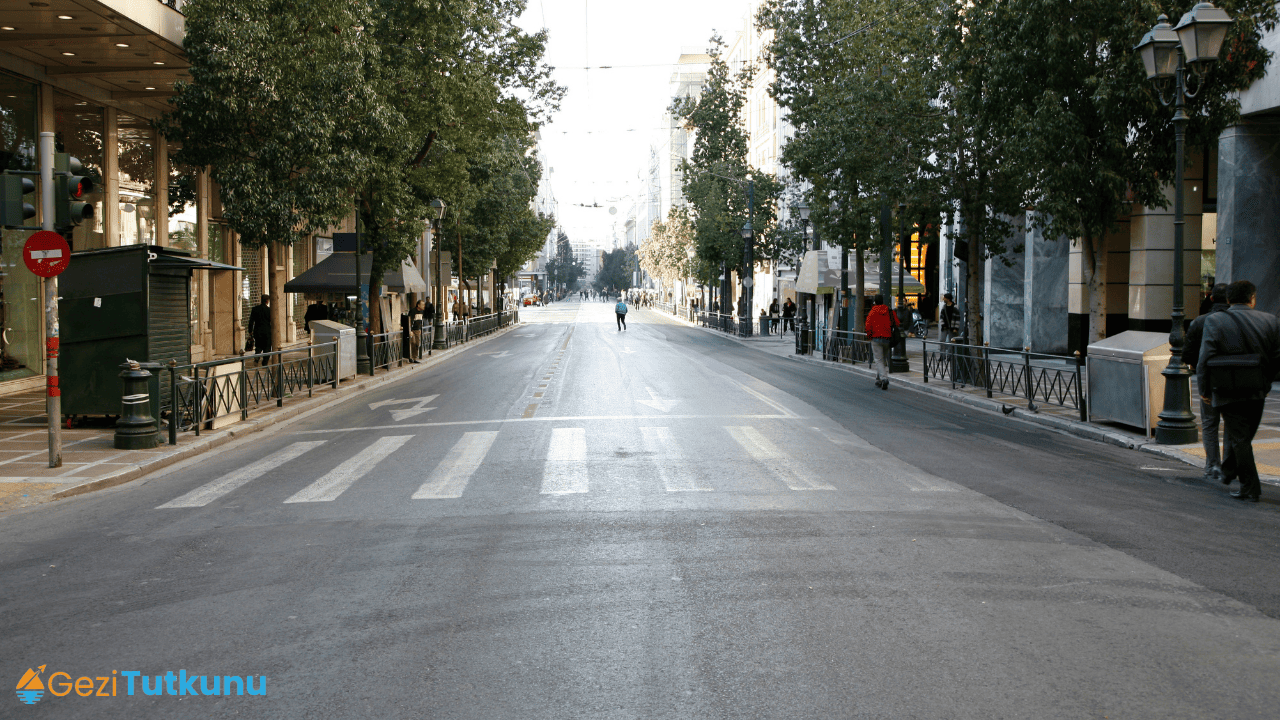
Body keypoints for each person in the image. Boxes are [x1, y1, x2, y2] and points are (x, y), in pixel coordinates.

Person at [1196, 280, 1280, 502]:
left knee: (1241, 438)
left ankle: (1244, 483)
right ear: (1252, 298)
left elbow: (1204, 359)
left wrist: (1204, 390)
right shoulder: (1270, 321)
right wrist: (1266, 382)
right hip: (1257, 391)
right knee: (1244, 436)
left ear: (1229, 300)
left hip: (1226, 389)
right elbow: (1277, 358)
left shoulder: (1215, 321)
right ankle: (1239, 478)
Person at [1183, 283, 1230, 482]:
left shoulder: (1200, 322)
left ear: (1211, 298)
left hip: (1209, 380)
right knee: (1231, 424)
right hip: (1233, 380)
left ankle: (1212, 464)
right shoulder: (1238, 321)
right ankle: (1228, 466)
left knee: (1210, 424)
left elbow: (1188, 353)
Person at [866, 294, 900, 390]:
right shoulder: (889, 311)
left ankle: (884, 379)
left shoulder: (872, 312)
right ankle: (878, 379)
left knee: (879, 360)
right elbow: (897, 323)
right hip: (887, 338)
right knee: (882, 359)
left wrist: (869, 336)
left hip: (876, 339)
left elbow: (868, 326)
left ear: (875, 302)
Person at [246, 294, 272, 366]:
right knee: (267, 347)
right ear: (267, 301)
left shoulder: (255, 309)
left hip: (257, 331)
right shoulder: (269, 310)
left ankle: (256, 359)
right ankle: (265, 362)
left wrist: (250, 331)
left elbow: (251, 321)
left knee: (258, 346)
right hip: (267, 332)